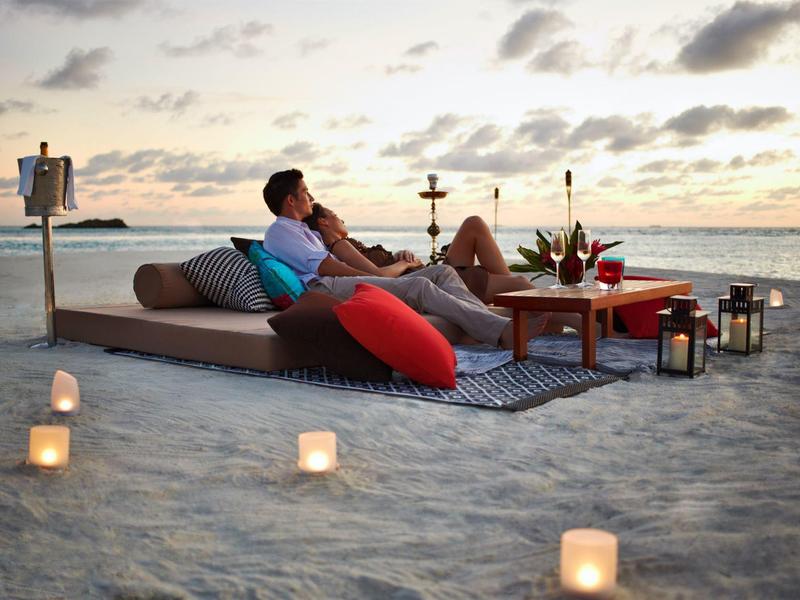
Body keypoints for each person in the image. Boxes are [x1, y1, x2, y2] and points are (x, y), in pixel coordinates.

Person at [261, 168, 551, 349]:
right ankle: (501, 332)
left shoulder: (303, 231)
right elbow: (325, 267)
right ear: (290, 200)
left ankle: (490, 326)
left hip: (334, 281)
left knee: (443, 273)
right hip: (324, 287)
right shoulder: (279, 232)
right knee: (419, 287)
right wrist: (373, 278)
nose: (310, 196)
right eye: (305, 192)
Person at [302, 203, 534, 304]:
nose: (341, 219)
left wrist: (399, 256)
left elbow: (377, 267)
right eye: (335, 215)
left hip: (430, 273)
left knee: (474, 224)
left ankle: (516, 301)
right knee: (521, 284)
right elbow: (379, 276)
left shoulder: (348, 246)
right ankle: (523, 303)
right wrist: (404, 265)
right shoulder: (340, 246)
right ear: (323, 221)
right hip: (433, 283)